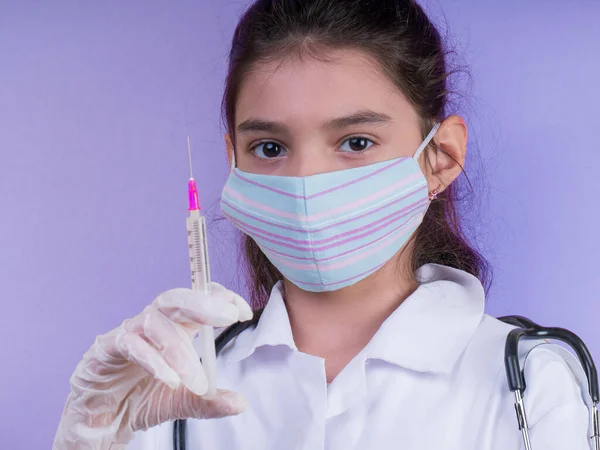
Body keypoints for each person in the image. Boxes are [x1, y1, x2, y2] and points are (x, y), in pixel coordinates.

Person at [52, 0, 591, 449]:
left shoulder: (530, 382)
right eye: (269, 147)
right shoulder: (172, 390)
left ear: (441, 157)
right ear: (233, 161)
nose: (306, 182)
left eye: (356, 142)